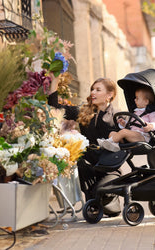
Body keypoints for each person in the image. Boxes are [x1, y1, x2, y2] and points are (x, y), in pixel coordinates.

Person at [48, 74, 121, 215]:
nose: (93, 92)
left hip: (109, 167)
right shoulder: (83, 111)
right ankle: (92, 202)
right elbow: (55, 107)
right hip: (89, 163)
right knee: (76, 163)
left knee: (100, 191)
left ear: (109, 94)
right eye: (92, 89)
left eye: (98, 90)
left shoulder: (117, 116)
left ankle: (105, 199)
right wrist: (55, 80)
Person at [98, 86, 155, 152]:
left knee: (124, 132)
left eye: (137, 98)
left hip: (142, 136)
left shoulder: (152, 112)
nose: (134, 100)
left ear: (146, 101)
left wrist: (150, 126)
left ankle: (107, 143)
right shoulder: (136, 111)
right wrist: (124, 123)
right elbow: (131, 125)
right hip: (132, 134)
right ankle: (114, 146)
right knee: (112, 133)